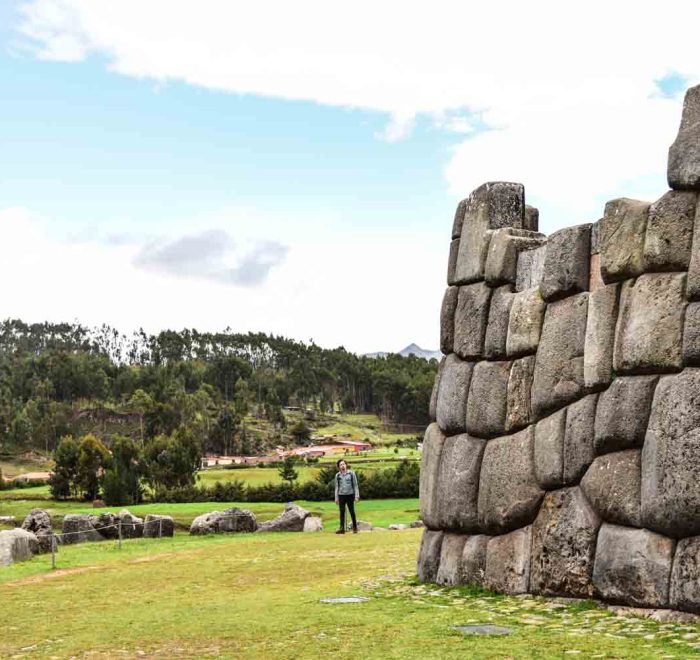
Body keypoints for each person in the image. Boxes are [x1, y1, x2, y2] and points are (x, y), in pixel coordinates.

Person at [334, 459, 360, 534]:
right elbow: (336, 487)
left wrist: (357, 496)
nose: (342, 466)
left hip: (350, 495)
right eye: (341, 465)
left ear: (346, 465)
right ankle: (341, 529)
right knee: (342, 511)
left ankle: (355, 528)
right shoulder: (337, 475)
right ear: (339, 467)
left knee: (352, 511)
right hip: (341, 495)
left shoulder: (351, 474)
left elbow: (355, 485)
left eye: (343, 464)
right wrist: (336, 498)